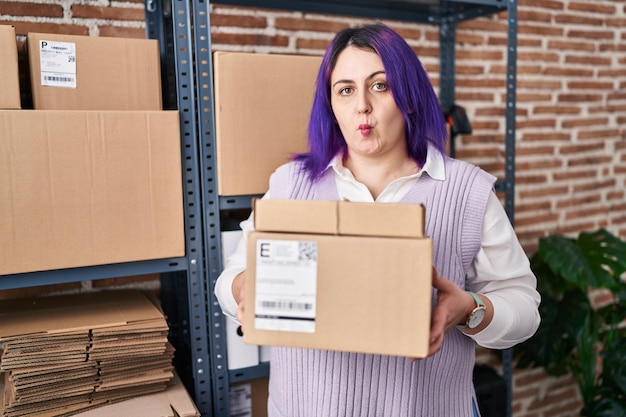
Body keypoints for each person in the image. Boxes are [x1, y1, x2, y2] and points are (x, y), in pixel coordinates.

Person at [215, 22, 540, 417]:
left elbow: (524, 308)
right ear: (331, 105)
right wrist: (243, 287)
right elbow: (229, 281)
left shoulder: (466, 192)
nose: (362, 106)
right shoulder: (290, 184)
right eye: (346, 89)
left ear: (410, 97)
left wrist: (470, 308)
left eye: (380, 85)